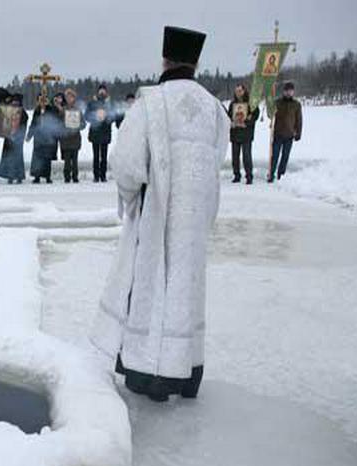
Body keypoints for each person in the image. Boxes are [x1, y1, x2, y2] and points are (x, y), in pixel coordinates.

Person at [91, 26, 229, 402]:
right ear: (196, 62)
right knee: (186, 291)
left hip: (157, 215)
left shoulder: (151, 102)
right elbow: (217, 161)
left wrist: (130, 197)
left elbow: (128, 164)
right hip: (195, 218)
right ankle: (186, 374)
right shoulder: (214, 108)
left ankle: (151, 376)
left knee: (153, 289)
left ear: (164, 59)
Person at [269, 81, 302, 182]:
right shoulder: (277, 102)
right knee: (274, 156)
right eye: (287, 91)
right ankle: (271, 174)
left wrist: (298, 133)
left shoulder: (296, 104)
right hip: (278, 134)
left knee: (285, 156)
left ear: (293, 92)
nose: (288, 93)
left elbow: (299, 120)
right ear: (283, 92)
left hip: (289, 135)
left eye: (290, 91)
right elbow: (270, 113)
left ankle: (281, 175)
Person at [227, 83, 259, 184]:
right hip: (235, 134)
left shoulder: (251, 103)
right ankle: (236, 175)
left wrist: (247, 122)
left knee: (247, 157)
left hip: (246, 134)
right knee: (235, 157)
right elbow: (228, 117)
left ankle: (249, 176)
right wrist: (231, 123)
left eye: (240, 91)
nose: (238, 93)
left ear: (244, 91)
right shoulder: (232, 104)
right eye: (236, 91)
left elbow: (255, 115)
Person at [26, 95, 57, 184]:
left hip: (47, 137)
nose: (42, 102)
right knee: (37, 157)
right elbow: (33, 123)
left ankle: (47, 176)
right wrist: (29, 135)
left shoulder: (50, 109)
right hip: (38, 137)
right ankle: (37, 176)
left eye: (44, 100)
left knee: (47, 158)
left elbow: (54, 118)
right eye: (40, 100)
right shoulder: (37, 110)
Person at [86, 84, 114, 182]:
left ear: (106, 92)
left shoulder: (110, 103)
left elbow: (113, 117)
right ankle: (96, 176)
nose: (102, 92)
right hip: (95, 133)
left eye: (103, 90)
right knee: (96, 156)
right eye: (100, 90)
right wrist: (94, 117)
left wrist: (107, 118)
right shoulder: (92, 103)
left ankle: (103, 175)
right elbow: (87, 116)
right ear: (98, 92)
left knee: (104, 156)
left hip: (105, 132)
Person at [0, 94, 28, 183]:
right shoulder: (8, 110)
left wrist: (17, 134)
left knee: (17, 158)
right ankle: (9, 176)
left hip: (18, 138)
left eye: (16, 101)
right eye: (13, 101)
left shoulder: (22, 112)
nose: (14, 103)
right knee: (9, 157)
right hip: (9, 138)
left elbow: (23, 124)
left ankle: (19, 176)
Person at [59, 88, 86, 183]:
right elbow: (59, 122)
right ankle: (66, 177)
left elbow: (83, 124)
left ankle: (75, 176)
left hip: (75, 138)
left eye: (71, 97)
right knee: (66, 160)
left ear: (74, 98)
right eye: (67, 97)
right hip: (66, 139)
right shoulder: (63, 110)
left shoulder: (78, 110)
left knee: (75, 160)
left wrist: (77, 127)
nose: (69, 98)